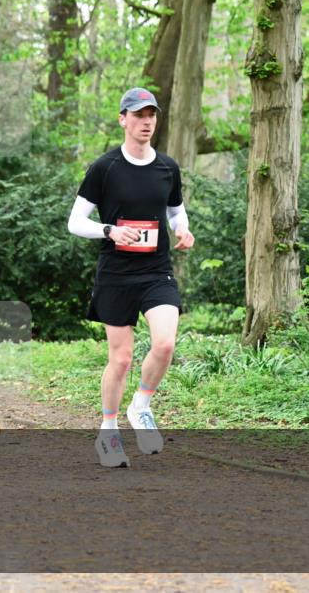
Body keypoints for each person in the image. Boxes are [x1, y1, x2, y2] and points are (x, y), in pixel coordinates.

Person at [67, 87, 195, 467]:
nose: (146, 121)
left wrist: (183, 231)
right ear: (123, 119)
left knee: (166, 344)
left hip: (156, 271)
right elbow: (75, 222)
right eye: (138, 115)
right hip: (116, 274)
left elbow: (175, 212)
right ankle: (108, 433)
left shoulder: (167, 167)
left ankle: (141, 404)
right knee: (120, 359)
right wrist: (109, 230)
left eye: (151, 115)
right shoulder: (104, 168)